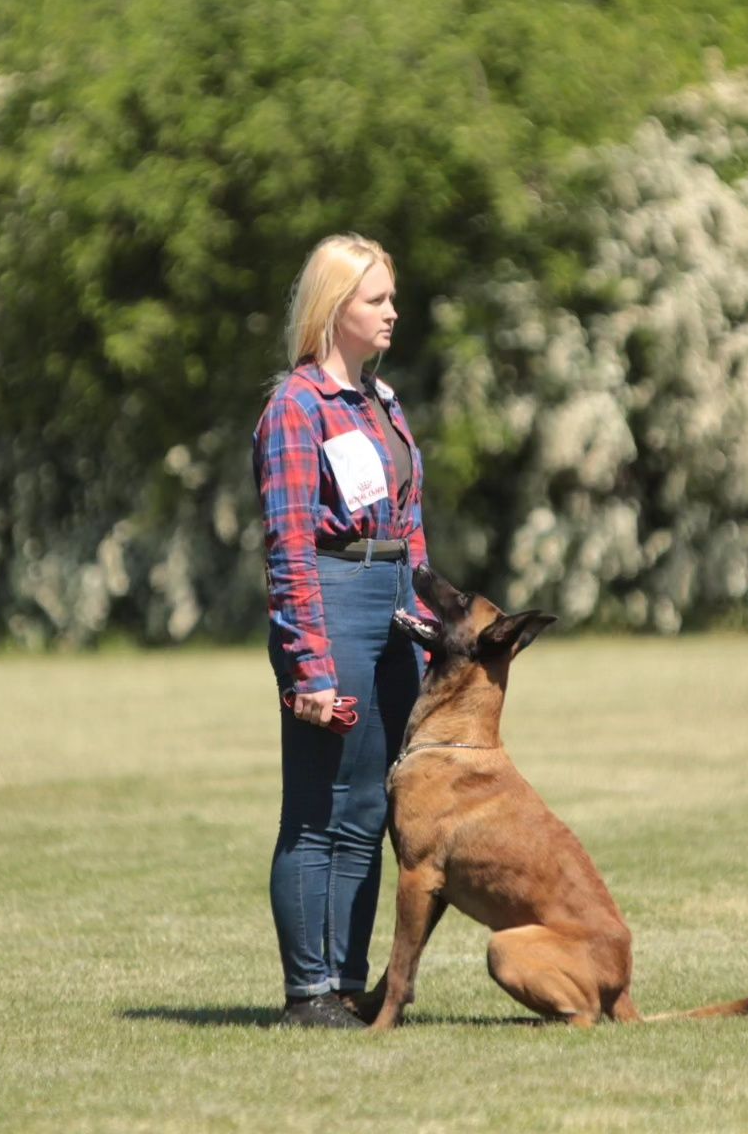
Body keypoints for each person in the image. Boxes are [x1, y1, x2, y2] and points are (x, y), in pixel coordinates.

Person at [252, 232, 433, 1029]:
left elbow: (410, 522)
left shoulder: (381, 402)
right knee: (318, 808)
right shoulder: (296, 407)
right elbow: (289, 547)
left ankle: (350, 985)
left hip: (393, 604)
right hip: (333, 602)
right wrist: (309, 666)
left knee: (369, 809)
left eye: (391, 297)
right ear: (335, 309)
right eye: (376, 300)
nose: (392, 312)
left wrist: (426, 626)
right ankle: (308, 992)